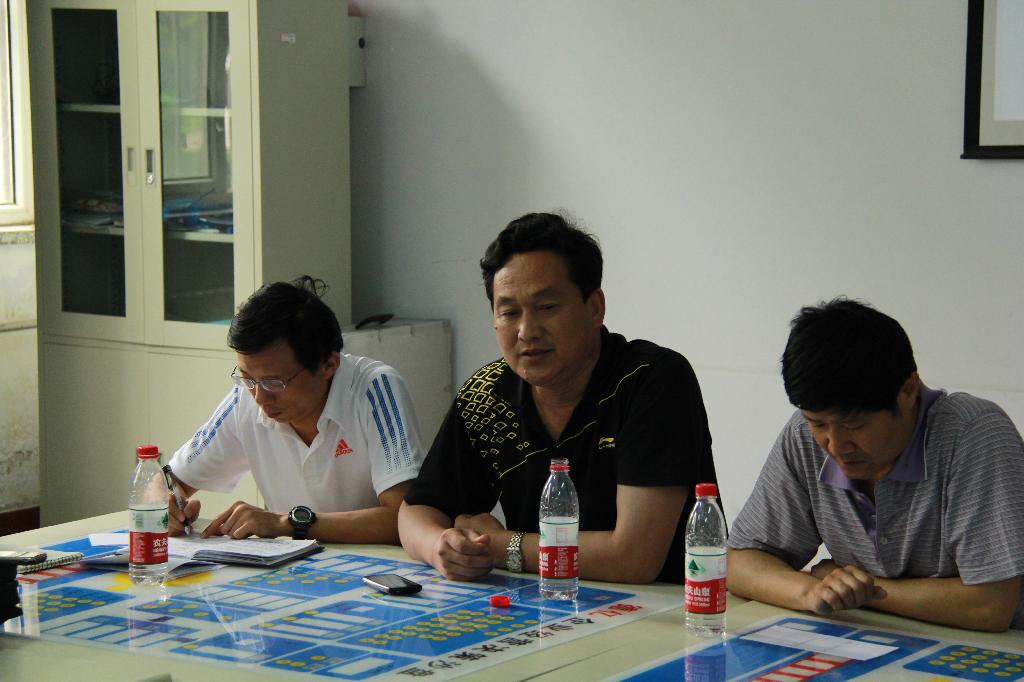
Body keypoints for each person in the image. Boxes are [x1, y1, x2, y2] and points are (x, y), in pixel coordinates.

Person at [398, 212, 717, 584]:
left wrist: (501, 546)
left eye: (547, 307)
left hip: (666, 607)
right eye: (509, 312)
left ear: (594, 307)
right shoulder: (487, 395)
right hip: (544, 602)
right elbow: (415, 511)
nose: (526, 331)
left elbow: (633, 558)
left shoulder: (651, 380)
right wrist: (441, 546)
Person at [728, 299, 1024, 632]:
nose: (835, 446)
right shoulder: (803, 436)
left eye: (854, 424)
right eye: (818, 423)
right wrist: (815, 591)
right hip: (871, 639)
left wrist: (865, 591)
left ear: (908, 391)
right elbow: (740, 563)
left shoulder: (972, 434)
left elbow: (990, 606)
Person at [165, 276, 426, 544]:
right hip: (293, 562)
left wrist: (287, 523)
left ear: (328, 364)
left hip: (372, 560)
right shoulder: (245, 398)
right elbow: (168, 480)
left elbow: (405, 518)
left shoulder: (374, 389)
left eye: (274, 382)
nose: (260, 397)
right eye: (247, 378)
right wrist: (168, 506)